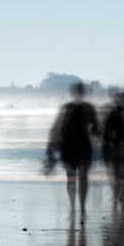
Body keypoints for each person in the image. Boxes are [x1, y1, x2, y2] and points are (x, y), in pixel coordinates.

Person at [45, 81, 100, 218]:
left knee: (71, 178)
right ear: (84, 92)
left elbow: (56, 127)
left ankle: (74, 207)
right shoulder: (88, 108)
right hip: (81, 145)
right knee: (82, 177)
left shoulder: (67, 107)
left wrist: (51, 145)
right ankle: (81, 208)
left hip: (69, 146)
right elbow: (96, 129)